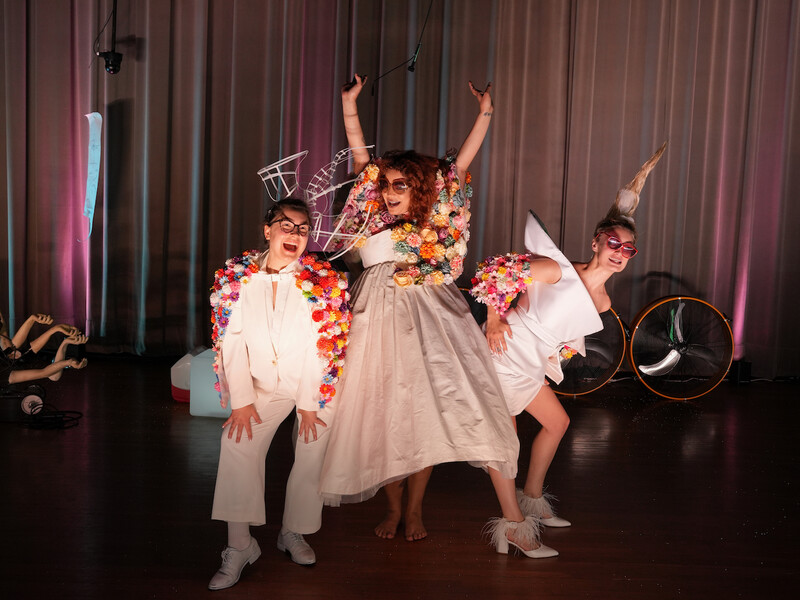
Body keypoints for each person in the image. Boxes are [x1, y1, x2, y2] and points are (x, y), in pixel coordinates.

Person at [319, 75, 556, 558]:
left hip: (431, 305)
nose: (388, 193)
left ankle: (415, 509)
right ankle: (391, 507)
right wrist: (349, 106)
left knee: (425, 409)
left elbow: (463, 161)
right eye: (386, 185)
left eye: (399, 186)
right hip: (376, 309)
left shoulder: (435, 217)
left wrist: (486, 112)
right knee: (382, 409)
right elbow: (361, 155)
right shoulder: (370, 210)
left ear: (422, 189)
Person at [473, 143, 666, 544]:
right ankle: (513, 527)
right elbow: (495, 272)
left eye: (628, 249)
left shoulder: (603, 302)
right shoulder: (557, 271)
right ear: (597, 241)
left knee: (558, 423)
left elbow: (564, 332)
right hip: (504, 353)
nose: (620, 253)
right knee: (504, 439)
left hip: (530, 363)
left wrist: (551, 357)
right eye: (613, 243)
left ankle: (532, 500)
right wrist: (493, 319)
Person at [207, 198, 350, 590]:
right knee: (235, 442)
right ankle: (240, 545)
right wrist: (242, 401)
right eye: (287, 226)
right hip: (258, 385)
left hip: (310, 382)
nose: (295, 235)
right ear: (267, 230)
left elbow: (322, 347)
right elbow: (230, 343)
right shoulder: (235, 279)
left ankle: (294, 532)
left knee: (312, 444)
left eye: (303, 229)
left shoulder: (323, 281)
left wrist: (307, 404)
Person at [1, 311, 88, 386]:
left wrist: (55, 329)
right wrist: (69, 362)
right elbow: (44, 373)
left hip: (15, 361)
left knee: (54, 375)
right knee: (54, 376)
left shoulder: (8, 352)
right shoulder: (7, 374)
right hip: (11, 369)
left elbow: (10, 340)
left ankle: (64, 343)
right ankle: (65, 344)